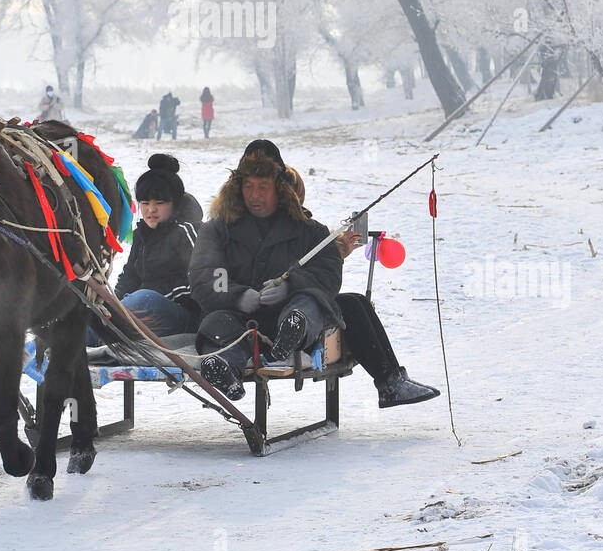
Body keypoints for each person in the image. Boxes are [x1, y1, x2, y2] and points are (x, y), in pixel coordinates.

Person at [188, 139, 440, 409]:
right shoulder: (217, 230)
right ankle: (224, 369)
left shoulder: (310, 232)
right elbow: (205, 276)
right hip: (233, 318)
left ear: (280, 188)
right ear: (237, 189)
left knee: (318, 303)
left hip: (290, 319)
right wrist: (237, 295)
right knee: (217, 326)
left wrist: (290, 287)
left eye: (263, 186)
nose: (254, 195)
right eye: (248, 186)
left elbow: (327, 275)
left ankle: (298, 331)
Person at [86, 154, 202, 345]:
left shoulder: (188, 231)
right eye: (145, 203)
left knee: (144, 298)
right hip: (143, 310)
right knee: (98, 310)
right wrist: (115, 305)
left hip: (182, 316)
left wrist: (150, 295)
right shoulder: (142, 235)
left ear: (174, 204)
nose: (151, 210)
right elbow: (129, 276)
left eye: (159, 203)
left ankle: (104, 338)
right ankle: (57, 347)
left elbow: (197, 282)